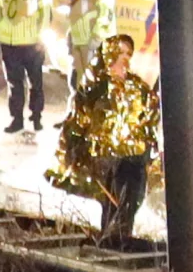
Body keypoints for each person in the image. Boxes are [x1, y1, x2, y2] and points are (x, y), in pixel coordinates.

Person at [55, 31, 161, 242]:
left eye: (128, 52)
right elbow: (78, 119)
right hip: (106, 156)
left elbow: (150, 115)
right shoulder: (96, 87)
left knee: (132, 198)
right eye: (120, 52)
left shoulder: (138, 87)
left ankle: (119, 238)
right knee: (112, 200)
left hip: (135, 154)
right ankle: (112, 240)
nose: (125, 57)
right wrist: (73, 150)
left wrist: (150, 147)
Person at [0, 0, 51, 135]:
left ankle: (36, 117)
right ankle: (17, 119)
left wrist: (42, 36)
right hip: (10, 42)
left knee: (36, 83)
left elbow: (45, 13)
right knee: (14, 84)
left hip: (32, 42)